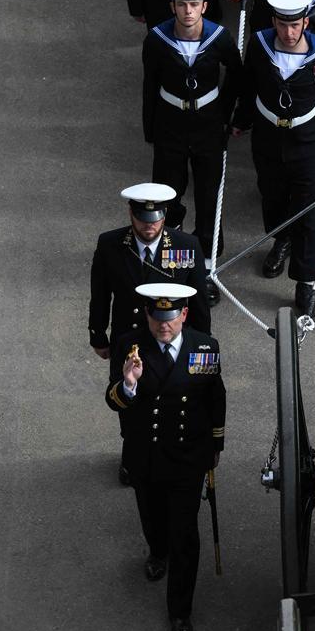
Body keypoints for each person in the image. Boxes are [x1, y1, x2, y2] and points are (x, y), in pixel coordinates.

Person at [106, 283, 225, 631]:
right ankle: (158, 552)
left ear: (184, 315)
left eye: (171, 319)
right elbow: (113, 400)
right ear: (148, 315)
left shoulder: (205, 346)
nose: (163, 326)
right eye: (157, 319)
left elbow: (215, 396)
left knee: (185, 536)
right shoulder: (129, 345)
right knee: (152, 516)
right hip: (147, 454)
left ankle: (180, 611)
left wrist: (216, 443)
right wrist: (128, 384)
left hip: (188, 457)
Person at [232, 0, 315, 317]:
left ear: (306, 23)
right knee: (272, 197)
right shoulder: (260, 44)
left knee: (307, 214)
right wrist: (241, 120)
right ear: (274, 22)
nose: (288, 31)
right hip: (268, 138)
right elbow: (248, 84)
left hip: (308, 141)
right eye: (283, 25)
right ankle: (281, 240)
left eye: (295, 25)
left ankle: (305, 281)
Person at [90, 183, 212, 485]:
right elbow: (101, 291)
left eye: (155, 219)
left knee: (172, 399)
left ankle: (169, 452)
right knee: (129, 398)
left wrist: (202, 343)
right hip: (128, 340)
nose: (149, 226)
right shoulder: (111, 244)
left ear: (165, 214)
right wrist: (97, 333)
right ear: (130, 213)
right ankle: (132, 454)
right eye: (143, 220)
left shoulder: (187, 246)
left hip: (172, 338)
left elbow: (198, 302)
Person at [141, 0, 244, 305]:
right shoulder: (157, 40)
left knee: (209, 193)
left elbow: (237, 76)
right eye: (181, 5)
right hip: (171, 123)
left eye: (194, 5)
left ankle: (208, 269)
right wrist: (151, 129)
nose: (188, 11)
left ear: (204, 6)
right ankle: (171, 258)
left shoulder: (219, 38)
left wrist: (224, 114)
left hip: (208, 124)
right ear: (172, 6)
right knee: (167, 192)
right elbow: (150, 84)